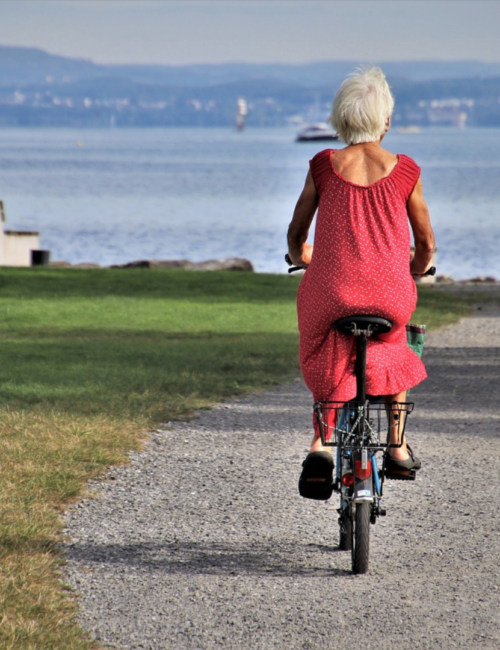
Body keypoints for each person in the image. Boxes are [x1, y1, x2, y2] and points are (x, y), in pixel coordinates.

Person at [287, 67, 435, 497]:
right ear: (385, 120)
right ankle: (397, 444)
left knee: (327, 341)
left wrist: (302, 258)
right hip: (389, 295)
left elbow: (297, 235)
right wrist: (417, 267)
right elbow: (425, 242)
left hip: (331, 292)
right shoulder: (406, 170)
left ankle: (323, 445)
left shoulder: (323, 165)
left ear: (340, 119)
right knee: (394, 343)